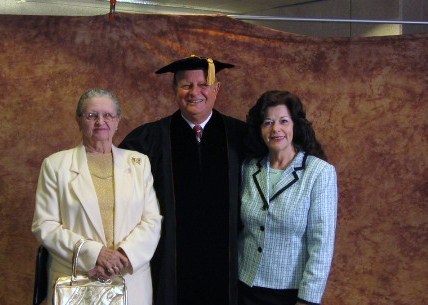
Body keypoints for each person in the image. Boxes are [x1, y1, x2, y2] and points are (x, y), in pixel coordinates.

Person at [119, 55, 247, 305]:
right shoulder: (148, 139)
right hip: (169, 263)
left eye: (203, 84)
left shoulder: (241, 136)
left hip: (227, 264)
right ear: (174, 90)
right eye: (186, 85)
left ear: (216, 89)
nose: (194, 92)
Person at [31, 89, 162, 305]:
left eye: (108, 115)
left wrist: (123, 256)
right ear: (79, 120)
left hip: (130, 280)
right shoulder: (55, 165)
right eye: (92, 115)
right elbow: (45, 225)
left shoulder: (139, 163)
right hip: (78, 279)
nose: (101, 121)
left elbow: (152, 221)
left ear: (118, 120)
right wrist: (94, 254)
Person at [238, 90, 338, 305]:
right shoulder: (249, 167)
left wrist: (308, 299)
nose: (276, 129)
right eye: (268, 122)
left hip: (289, 292)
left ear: (295, 126)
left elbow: (322, 244)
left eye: (283, 121)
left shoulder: (319, 173)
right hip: (244, 286)